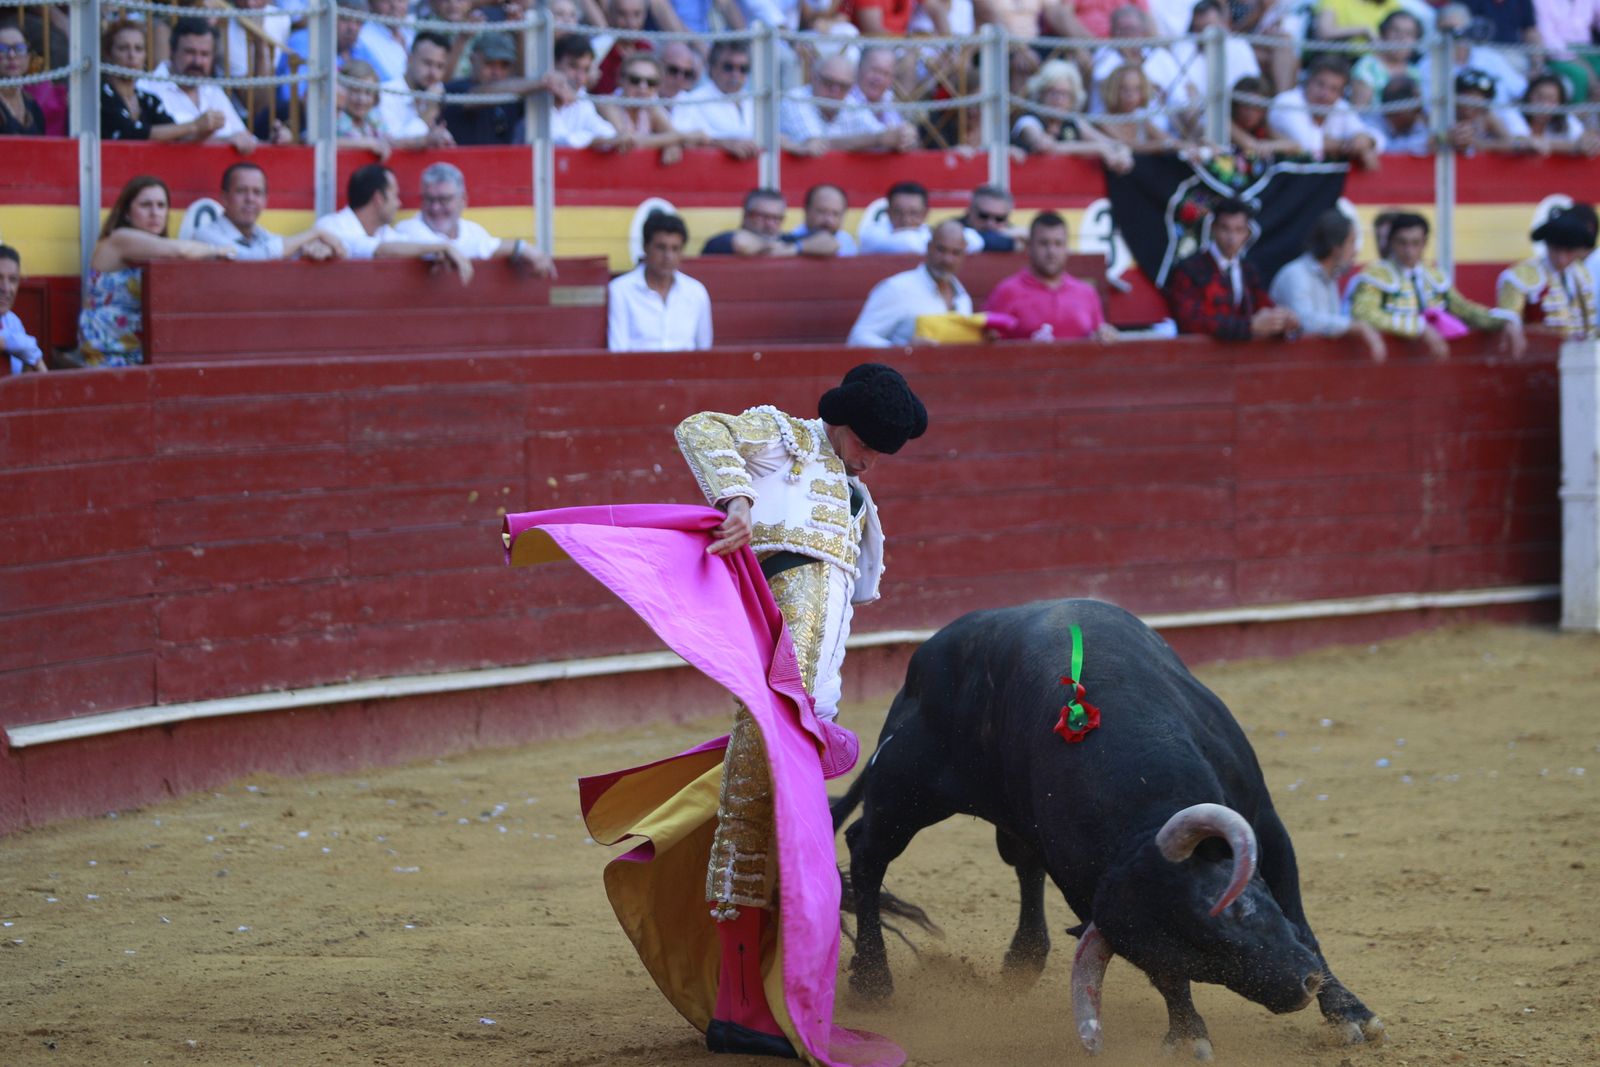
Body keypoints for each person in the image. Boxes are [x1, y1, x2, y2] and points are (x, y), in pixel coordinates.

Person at [609, 363, 923, 1058]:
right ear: (844, 425)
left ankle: (764, 1000)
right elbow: (699, 427)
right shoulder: (785, 439)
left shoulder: (859, 504)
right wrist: (738, 499)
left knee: (786, 840)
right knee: (753, 821)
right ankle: (738, 1008)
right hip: (770, 684)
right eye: (871, 446)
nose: (874, 462)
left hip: (812, 702)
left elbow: (845, 600)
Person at [77, 176, 236, 367]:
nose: (155, 213)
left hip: (141, 354)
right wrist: (218, 250)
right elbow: (181, 250)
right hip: (107, 354)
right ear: (127, 212)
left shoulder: (158, 250)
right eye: (146, 205)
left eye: (161, 205)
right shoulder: (120, 239)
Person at [1346, 211, 1526, 359]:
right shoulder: (1375, 276)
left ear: (1425, 243)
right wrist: (1418, 327)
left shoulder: (1434, 278)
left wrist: (1504, 321)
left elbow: (1464, 310)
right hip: (1390, 364)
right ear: (1392, 243)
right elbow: (1364, 313)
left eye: (1416, 243)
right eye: (1403, 243)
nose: (1409, 251)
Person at [1164, 198, 1298, 342]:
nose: (1231, 238)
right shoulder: (1189, 269)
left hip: (1242, 359)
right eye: (1225, 228)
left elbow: (1263, 305)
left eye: (1238, 230)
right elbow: (1190, 321)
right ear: (1214, 228)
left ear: (1247, 233)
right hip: (1200, 359)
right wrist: (1249, 326)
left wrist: (1281, 320)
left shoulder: (1248, 270)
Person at [313, 164, 475, 281]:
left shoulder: (385, 233)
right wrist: (441, 247)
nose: (399, 204)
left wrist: (439, 250)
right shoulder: (331, 227)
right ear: (378, 198)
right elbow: (377, 250)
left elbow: (410, 246)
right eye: (394, 196)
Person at [392, 161, 557, 273]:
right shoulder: (408, 229)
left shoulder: (474, 231)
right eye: (429, 199)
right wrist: (520, 247)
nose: (435, 208)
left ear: (463, 200)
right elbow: (455, 250)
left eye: (444, 200)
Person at [1268, 209, 1388, 361]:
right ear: (1336, 248)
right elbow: (1305, 321)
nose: (1355, 251)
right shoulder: (1296, 274)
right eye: (1351, 242)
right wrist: (1356, 326)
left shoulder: (1331, 277)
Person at [984, 212, 1119, 342]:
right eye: (1044, 243)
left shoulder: (1087, 293)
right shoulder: (1006, 292)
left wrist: (1106, 336)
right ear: (1030, 247)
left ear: (1067, 248)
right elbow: (988, 346)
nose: (1051, 252)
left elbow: (1100, 338)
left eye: (1058, 243)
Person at [137, 19, 258, 153]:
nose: (197, 61)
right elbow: (157, 143)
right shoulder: (146, 88)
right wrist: (224, 141)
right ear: (172, 51)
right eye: (190, 52)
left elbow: (243, 137)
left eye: (204, 54)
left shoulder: (212, 90)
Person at [848, 220, 974, 347]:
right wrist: (905, 350)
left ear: (964, 255)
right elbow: (857, 338)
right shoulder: (897, 288)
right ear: (929, 247)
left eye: (956, 253)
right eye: (941, 250)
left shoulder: (962, 298)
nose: (947, 259)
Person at [607, 210, 712, 351]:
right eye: (661, 247)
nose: (668, 256)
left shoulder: (696, 292)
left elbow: (704, 350)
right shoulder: (621, 290)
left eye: (675, 249)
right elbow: (618, 350)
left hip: (685, 372)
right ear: (645, 247)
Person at [195, 163, 345, 261]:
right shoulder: (205, 235)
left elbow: (281, 249)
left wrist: (316, 249)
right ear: (224, 198)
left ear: (265, 200)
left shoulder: (262, 236)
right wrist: (314, 234)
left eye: (257, 192)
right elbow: (248, 258)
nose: (250, 199)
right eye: (241, 191)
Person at [780, 53, 918, 155]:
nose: (835, 90)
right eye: (828, 82)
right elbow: (817, 146)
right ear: (813, 78)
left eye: (843, 86)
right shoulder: (795, 98)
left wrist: (903, 136)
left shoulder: (849, 102)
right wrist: (878, 139)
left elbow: (880, 133)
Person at [1013, 58, 1135, 172]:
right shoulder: (1028, 120)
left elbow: (1110, 143)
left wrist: (1122, 152)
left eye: (1065, 94)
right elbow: (1044, 145)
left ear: (1073, 99)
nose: (1059, 99)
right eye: (1053, 92)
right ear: (1041, 94)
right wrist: (1097, 148)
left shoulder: (1073, 121)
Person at [99, 20, 211, 142]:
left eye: (138, 49)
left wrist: (208, 129)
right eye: (123, 48)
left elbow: (176, 135)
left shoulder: (148, 100)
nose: (132, 55)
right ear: (108, 54)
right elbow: (132, 133)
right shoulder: (101, 96)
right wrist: (194, 125)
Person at [1495, 203, 1597, 338]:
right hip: (1539, 356)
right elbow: (1507, 322)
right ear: (1547, 245)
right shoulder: (1519, 277)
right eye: (1556, 250)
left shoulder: (1583, 274)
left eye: (1569, 252)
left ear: (1579, 249)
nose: (1562, 259)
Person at [1267, 55, 1383, 169]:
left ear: (1341, 94)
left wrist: (1366, 141)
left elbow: (1378, 138)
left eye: (1333, 89)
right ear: (1308, 81)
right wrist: (1350, 146)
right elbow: (1306, 144)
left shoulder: (1340, 106)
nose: (1325, 94)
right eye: (1320, 84)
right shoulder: (1286, 102)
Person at [596, 53, 704, 162]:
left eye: (651, 82)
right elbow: (627, 141)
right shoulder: (606, 103)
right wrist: (678, 138)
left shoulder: (651, 106)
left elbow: (672, 132)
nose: (643, 88)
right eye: (635, 80)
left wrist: (673, 142)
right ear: (621, 80)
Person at [671, 40, 757, 158]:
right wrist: (721, 144)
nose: (736, 74)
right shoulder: (690, 101)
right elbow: (680, 139)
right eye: (728, 67)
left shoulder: (756, 102)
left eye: (743, 68)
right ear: (712, 67)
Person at [376, 31, 454, 150]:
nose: (433, 73)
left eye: (440, 66)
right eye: (428, 63)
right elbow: (392, 144)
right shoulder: (385, 93)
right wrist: (429, 112)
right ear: (409, 58)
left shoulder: (438, 92)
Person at [547, 34, 620, 149]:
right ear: (554, 64)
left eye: (586, 69)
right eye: (573, 66)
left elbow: (609, 135)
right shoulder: (540, 95)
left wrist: (596, 140)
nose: (580, 77)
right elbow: (561, 141)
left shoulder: (581, 96)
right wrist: (594, 140)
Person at [1349, 10, 1423, 109]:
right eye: (1396, 31)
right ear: (1384, 34)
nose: (1401, 38)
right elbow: (1358, 115)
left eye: (1409, 34)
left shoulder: (1414, 72)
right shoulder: (1367, 66)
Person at [1518, 73, 1600, 156]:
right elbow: (1514, 141)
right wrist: (1572, 146)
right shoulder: (1515, 116)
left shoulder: (1566, 119)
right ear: (1528, 96)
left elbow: (1584, 140)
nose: (1543, 105)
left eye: (1550, 99)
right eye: (1539, 97)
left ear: (1559, 103)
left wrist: (1589, 142)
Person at [1, 244, 46, 375]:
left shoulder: (13, 322)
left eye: (13, 280)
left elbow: (26, 375)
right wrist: (18, 343)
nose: (6, 288)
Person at [783, 183, 858, 257]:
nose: (829, 220)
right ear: (807, 211)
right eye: (822, 212)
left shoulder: (847, 242)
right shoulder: (790, 240)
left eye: (835, 214)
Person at [1364, 76, 1431, 155]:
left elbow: (1427, 137)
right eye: (1416, 109)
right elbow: (1387, 148)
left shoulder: (1415, 121)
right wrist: (1427, 142)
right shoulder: (1371, 124)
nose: (1419, 113)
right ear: (1402, 109)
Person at [0, 23, 44, 136]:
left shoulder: (32, 105)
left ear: (28, 57)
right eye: (2, 49)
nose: (11, 55)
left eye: (19, 48)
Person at [955, 184, 1026, 253]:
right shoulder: (954, 227)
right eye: (983, 216)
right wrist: (1010, 242)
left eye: (999, 219)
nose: (990, 223)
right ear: (969, 211)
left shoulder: (1012, 233)